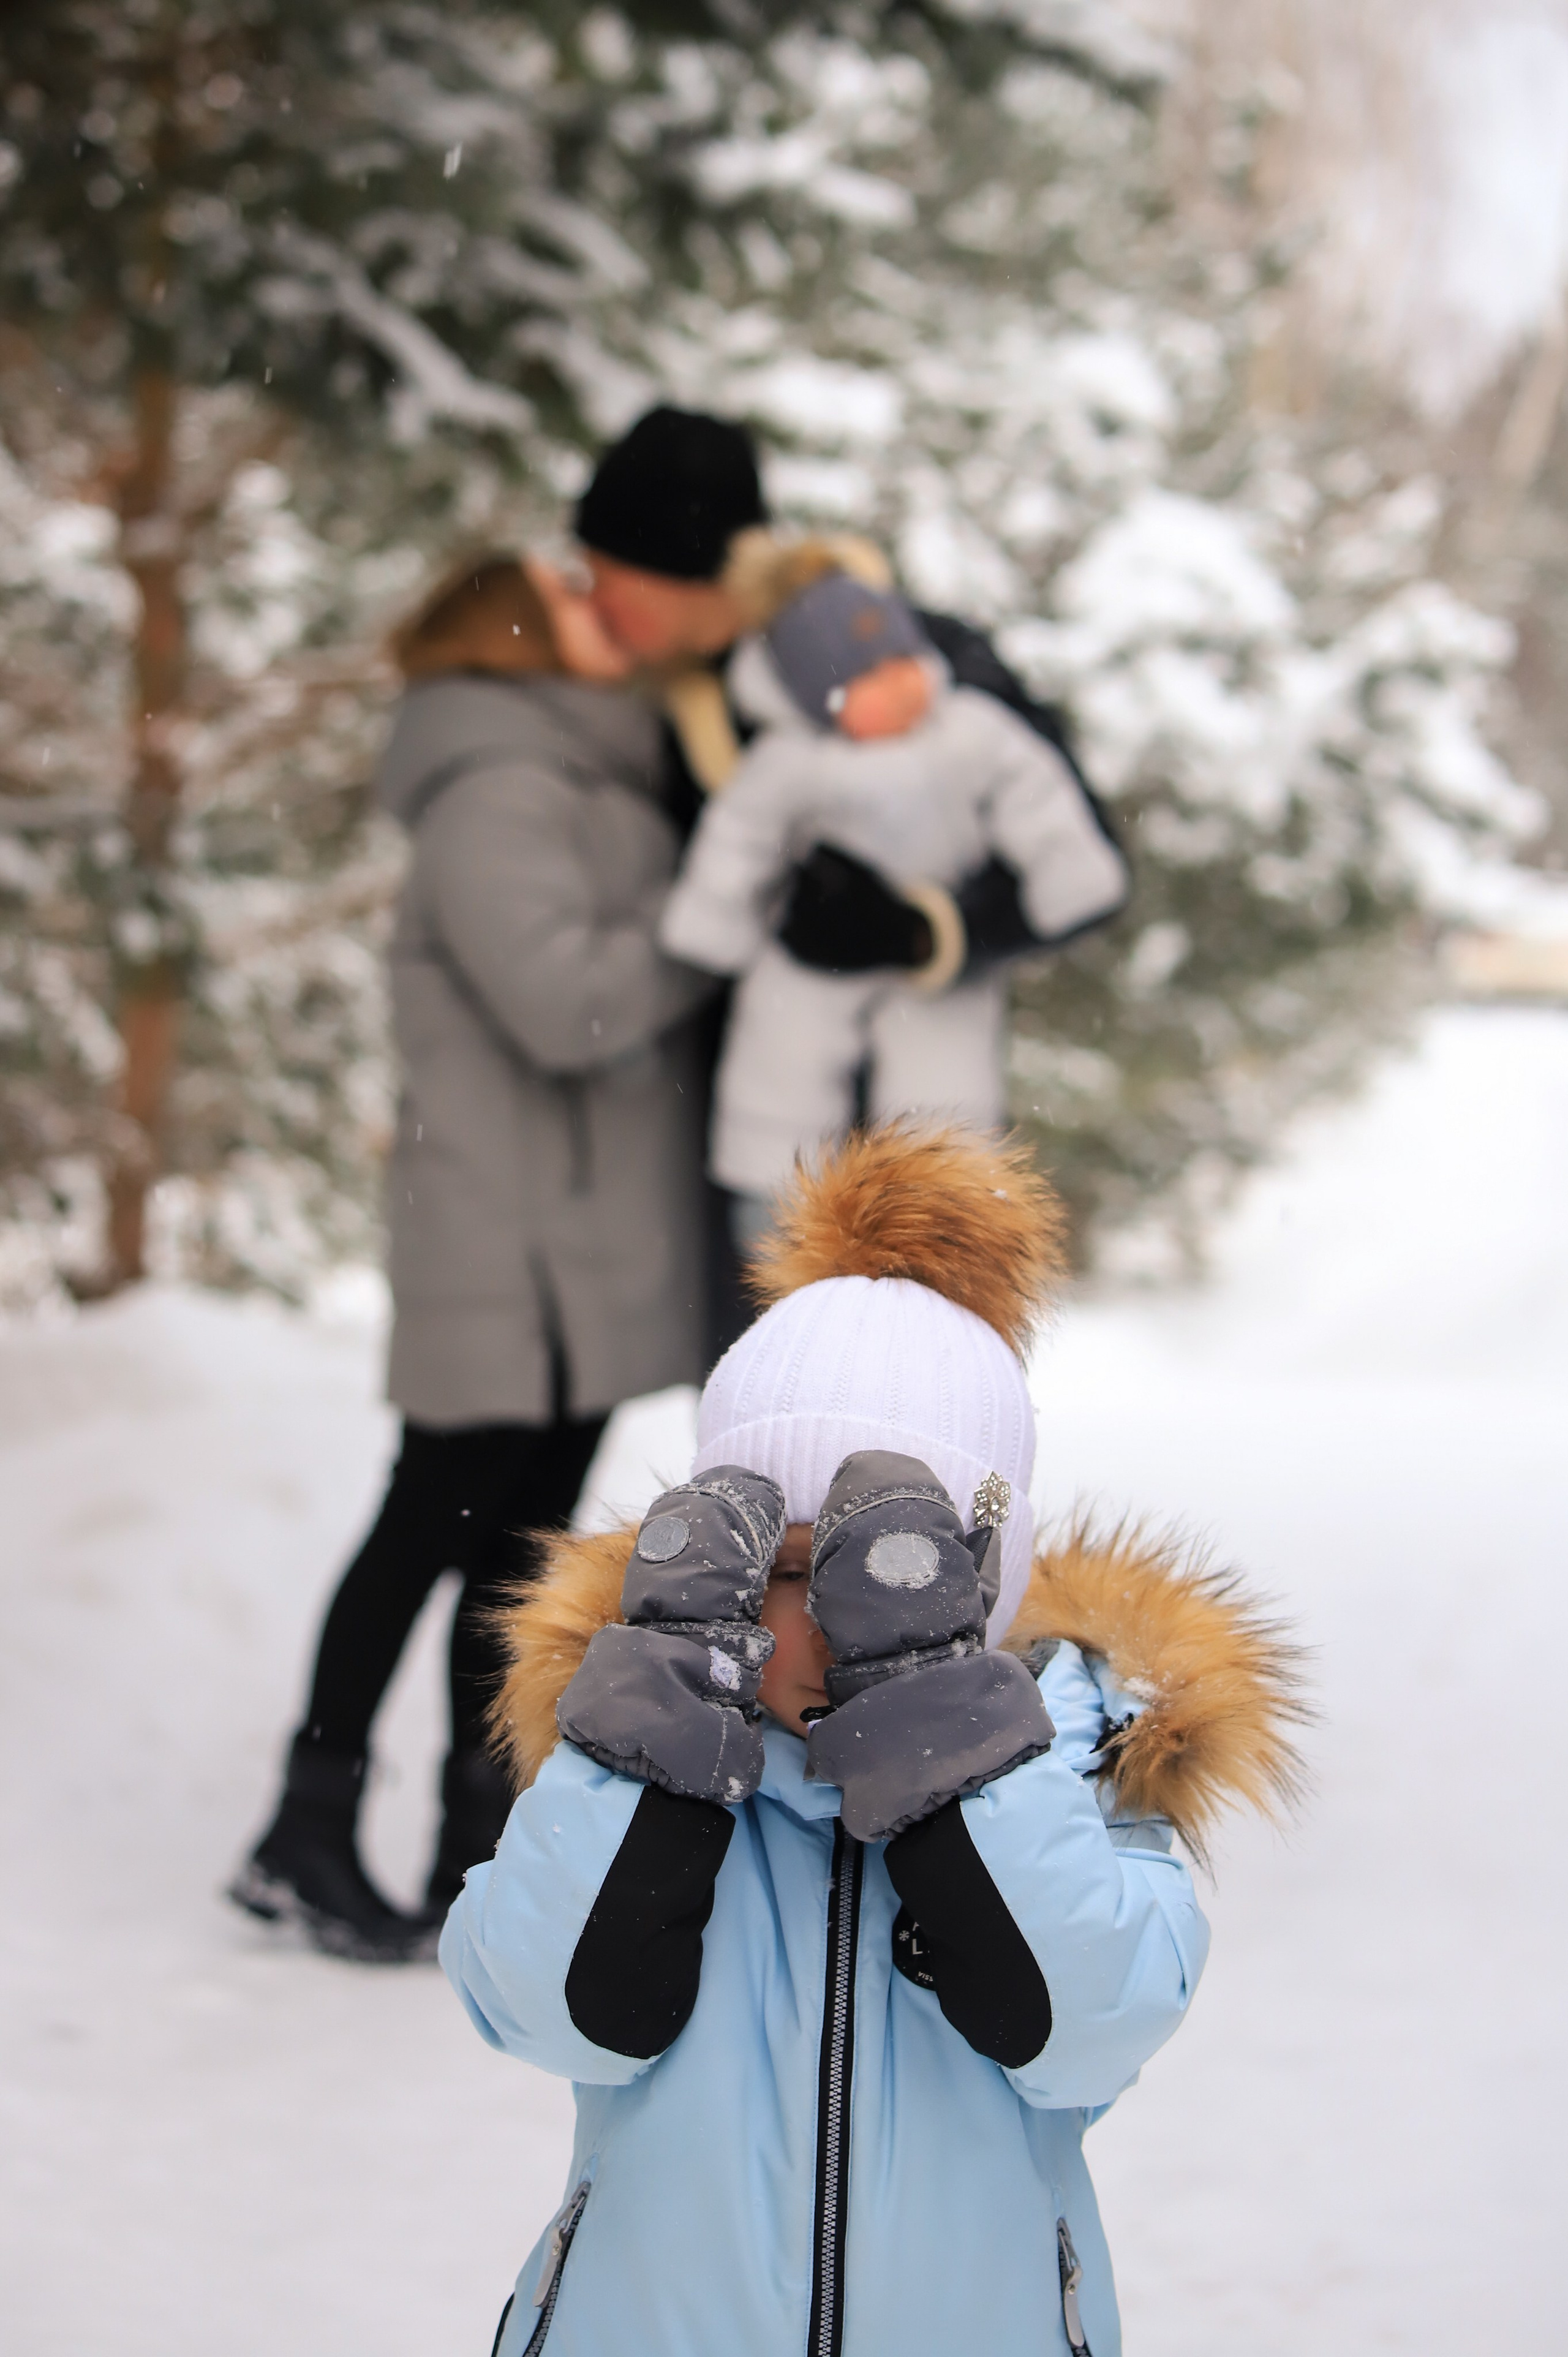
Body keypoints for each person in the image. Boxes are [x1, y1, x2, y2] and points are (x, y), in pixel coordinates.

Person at [442, 1123, 1305, 2357]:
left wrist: (940, 1740)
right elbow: (544, 2008)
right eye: (782, 1569)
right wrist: (660, 1735)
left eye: (892, 1578)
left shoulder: (1080, 1771)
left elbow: (1081, 2030)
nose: (826, 1624)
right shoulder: (643, 1747)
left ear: (981, 1587)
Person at [230, 556, 714, 1963]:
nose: (598, 600)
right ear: (510, 632)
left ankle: (473, 1838)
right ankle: (304, 1824)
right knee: (424, 1534)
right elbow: (563, 1003)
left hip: (566, 1246)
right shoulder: (499, 786)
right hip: (504, 1244)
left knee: (506, 1563)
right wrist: (708, 926)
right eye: (567, 588)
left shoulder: (575, 776)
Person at [657, 567, 1128, 1223]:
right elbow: (739, 837)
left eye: (906, 660)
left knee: (942, 1075)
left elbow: (1038, 797)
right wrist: (715, 920)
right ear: (819, 698)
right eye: (869, 677)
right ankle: (775, 1194)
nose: (902, 683)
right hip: (810, 950)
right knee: (784, 1052)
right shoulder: (789, 761)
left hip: (933, 961)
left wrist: (1065, 873)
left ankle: (940, 1201)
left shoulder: (970, 729)